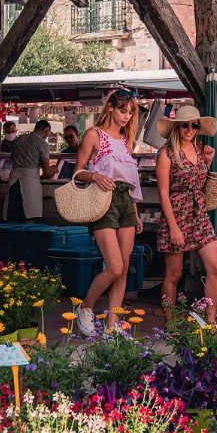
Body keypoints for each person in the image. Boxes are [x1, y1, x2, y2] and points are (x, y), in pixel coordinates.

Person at [73, 89, 143, 337]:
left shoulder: (126, 140)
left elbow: (130, 179)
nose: (127, 116)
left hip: (126, 202)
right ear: (111, 107)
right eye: (123, 110)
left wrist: (135, 212)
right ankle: (86, 307)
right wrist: (95, 175)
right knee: (113, 267)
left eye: (130, 112)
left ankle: (113, 327)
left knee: (123, 268)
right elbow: (76, 173)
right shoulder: (94, 135)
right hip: (103, 201)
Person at [155, 106, 217, 323]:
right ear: (177, 126)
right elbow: (163, 193)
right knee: (173, 275)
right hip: (176, 214)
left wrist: (207, 164)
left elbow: (199, 183)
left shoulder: (200, 149)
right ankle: (171, 323)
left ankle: (210, 323)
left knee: (215, 266)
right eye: (185, 124)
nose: (190, 129)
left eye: (194, 125)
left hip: (199, 214)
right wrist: (173, 227)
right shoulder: (166, 153)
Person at [4, 120, 55, 223]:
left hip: (14, 181)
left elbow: (12, 157)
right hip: (30, 183)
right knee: (30, 218)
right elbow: (47, 172)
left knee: (13, 218)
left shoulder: (20, 139)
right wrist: (54, 168)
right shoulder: (42, 144)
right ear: (46, 131)